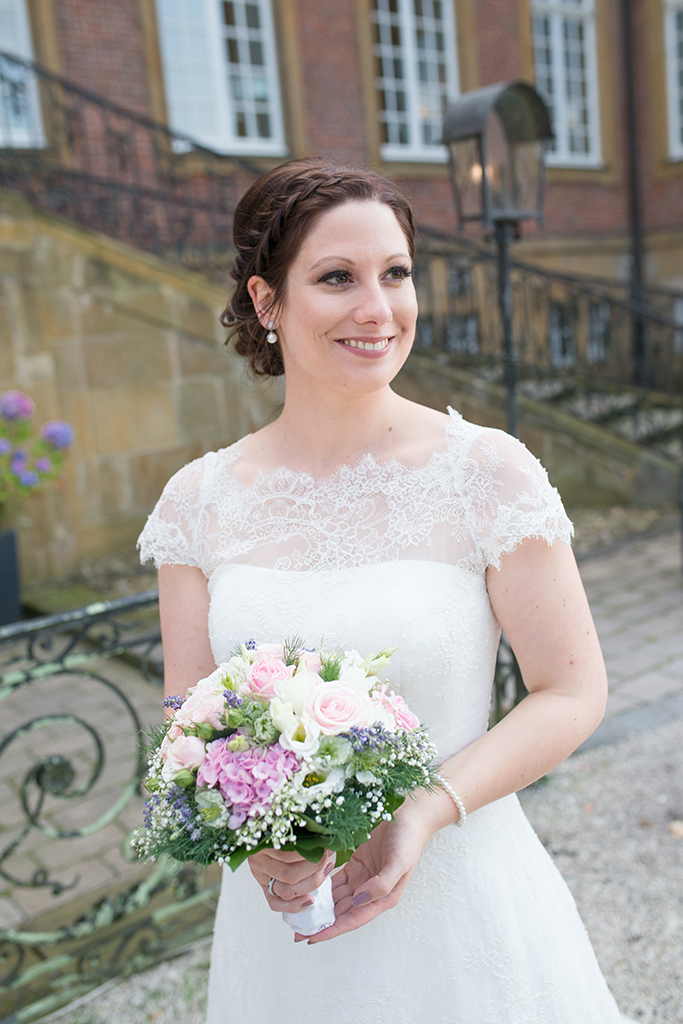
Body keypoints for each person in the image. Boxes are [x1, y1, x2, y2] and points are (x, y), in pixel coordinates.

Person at [138, 158, 631, 1023]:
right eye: (338, 278)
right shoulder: (198, 501)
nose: (378, 308)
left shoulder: (487, 473)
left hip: (460, 892)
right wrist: (251, 835)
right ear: (266, 300)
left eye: (395, 274)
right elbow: (188, 710)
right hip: (281, 925)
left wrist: (423, 813)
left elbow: (571, 691)